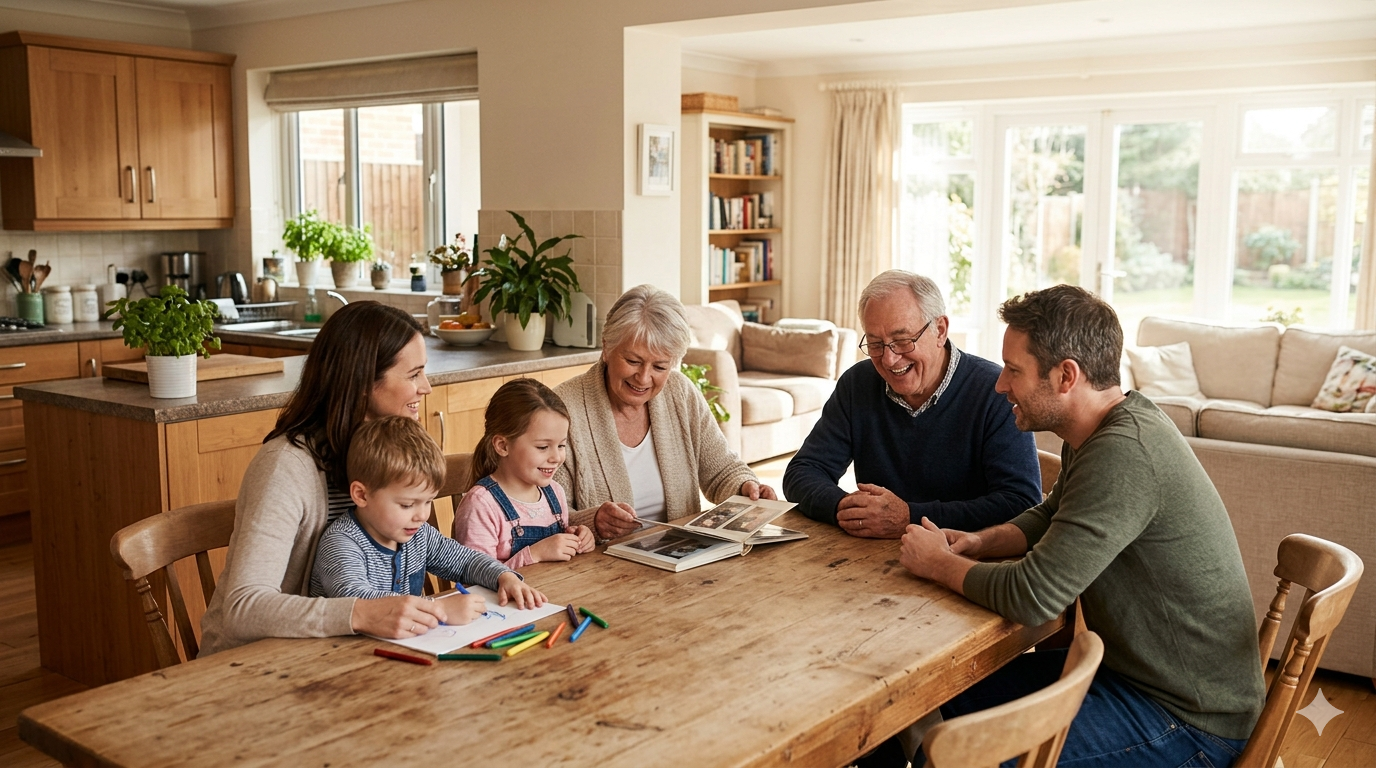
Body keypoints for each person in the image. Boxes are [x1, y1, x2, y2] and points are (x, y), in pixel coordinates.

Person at [900, 284, 1264, 768]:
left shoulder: (1124, 454)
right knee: (943, 699)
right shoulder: (1101, 427)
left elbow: (1033, 596)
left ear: (1066, 376)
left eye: (1014, 370)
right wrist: (981, 542)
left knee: (970, 756)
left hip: (1189, 718)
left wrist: (939, 565)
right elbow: (1053, 511)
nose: (1000, 385)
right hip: (1133, 677)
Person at [202, 302, 455, 655]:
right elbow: (243, 608)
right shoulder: (285, 466)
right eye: (413, 375)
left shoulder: (380, 452)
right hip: (251, 664)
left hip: (335, 651)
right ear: (364, 382)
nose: (425, 387)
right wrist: (362, 613)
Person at [783, 270, 1039, 539]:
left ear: (940, 331)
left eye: (903, 341)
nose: (889, 359)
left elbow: (1020, 503)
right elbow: (802, 472)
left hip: (966, 560)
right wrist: (848, 508)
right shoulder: (857, 384)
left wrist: (909, 517)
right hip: (871, 557)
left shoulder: (995, 392)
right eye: (876, 344)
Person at [553, 284, 775, 542]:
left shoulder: (680, 392)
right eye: (633, 361)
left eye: (660, 366)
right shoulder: (562, 408)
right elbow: (541, 511)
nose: (644, 377)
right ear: (606, 347)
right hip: (598, 567)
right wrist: (592, 521)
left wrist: (745, 487)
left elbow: (721, 470)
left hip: (679, 558)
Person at [310, 416, 544, 620]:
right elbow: (359, 602)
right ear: (361, 495)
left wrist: (504, 576)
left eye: (428, 501)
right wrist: (438, 608)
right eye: (407, 504)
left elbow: (465, 561)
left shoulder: (418, 534)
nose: (422, 515)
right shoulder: (341, 544)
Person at [454, 378, 595, 567]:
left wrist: (577, 540)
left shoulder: (555, 493)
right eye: (543, 447)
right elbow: (475, 581)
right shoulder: (481, 505)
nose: (556, 457)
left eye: (561, 445)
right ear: (503, 446)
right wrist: (534, 554)